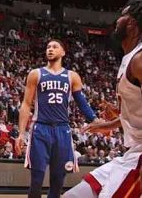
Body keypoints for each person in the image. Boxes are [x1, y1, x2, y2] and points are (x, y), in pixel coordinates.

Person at [64, 0, 142, 198]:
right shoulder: (129, 58)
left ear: (132, 24)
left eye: (123, 16)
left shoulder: (139, 60)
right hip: (130, 155)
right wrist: (110, 124)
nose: (117, 20)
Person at [15, 39, 100, 198]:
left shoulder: (72, 76)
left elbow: (81, 102)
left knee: (58, 181)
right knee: (36, 180)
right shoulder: (36, 74)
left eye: (55, 47)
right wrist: (21, 133)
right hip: (40, 128)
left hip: (63, 130)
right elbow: (26, 104)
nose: (50, 49)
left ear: (63, 52)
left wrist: (94, 119)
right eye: (48, 47)